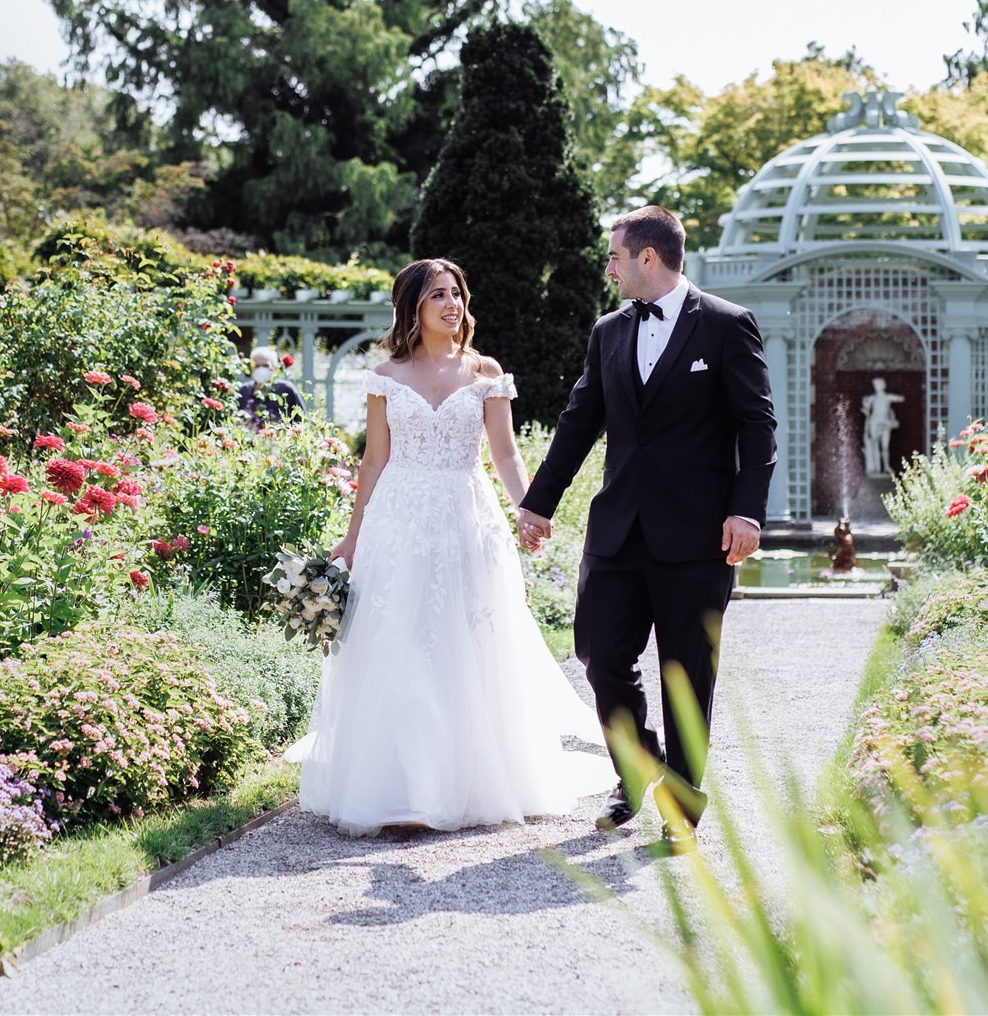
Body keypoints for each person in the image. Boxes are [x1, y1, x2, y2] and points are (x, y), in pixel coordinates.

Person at [289, 259, 613, 836]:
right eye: (437, 295)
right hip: (400, 522)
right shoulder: (387, 375)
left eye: (457, 293)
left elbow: (506, 454)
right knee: (402, 646)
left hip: (468, 519)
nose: (451, 304)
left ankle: (471, 780)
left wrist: (528, 508)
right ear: (413, 306)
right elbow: (374, 461)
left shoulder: (485, 372)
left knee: (469, 646)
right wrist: (353, 535)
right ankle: (406, 790)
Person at [517, 206, 777, 850]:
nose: (608, 268)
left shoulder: (725, 326)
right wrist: (538, 501)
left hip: (699, 538)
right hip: (617, 533)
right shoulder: (608, 332)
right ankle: (639, 771)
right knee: (599, 654)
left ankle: (682, 803)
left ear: (647, 257)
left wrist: (747, 511)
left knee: (686, 674)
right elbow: (580, 421)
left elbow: (758, 426)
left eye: (613, 257)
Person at [237, 346, 305, 426]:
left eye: (265, 366)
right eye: (257, 366)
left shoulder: (287, 390)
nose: (261, 370)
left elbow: (302, 421)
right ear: (251, 368)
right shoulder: (243, 392)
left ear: (275, 368)